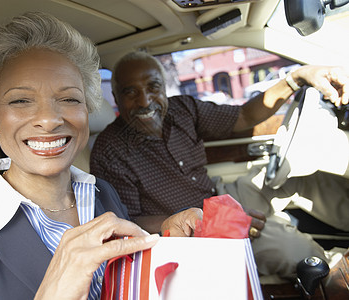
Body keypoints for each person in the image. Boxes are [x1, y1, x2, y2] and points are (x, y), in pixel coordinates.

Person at [0, 13, 202, 299]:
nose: (49, 119)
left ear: (87, 110)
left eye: (69, 98)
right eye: (20, 101)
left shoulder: (102, 192)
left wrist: (165, 234)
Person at [90, 51, 349, 278]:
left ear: (164, 88)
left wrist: (298, 78)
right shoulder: (109, 151)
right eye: (130, 91)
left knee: (297, 175)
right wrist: (216, 219)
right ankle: (332, 273)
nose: (145, 100)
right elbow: (128, 220)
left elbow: (244, 115)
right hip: (192, 232)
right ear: (115, 96)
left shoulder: (182, 110)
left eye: (152, 87)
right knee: (298, 252)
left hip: (219, 197)